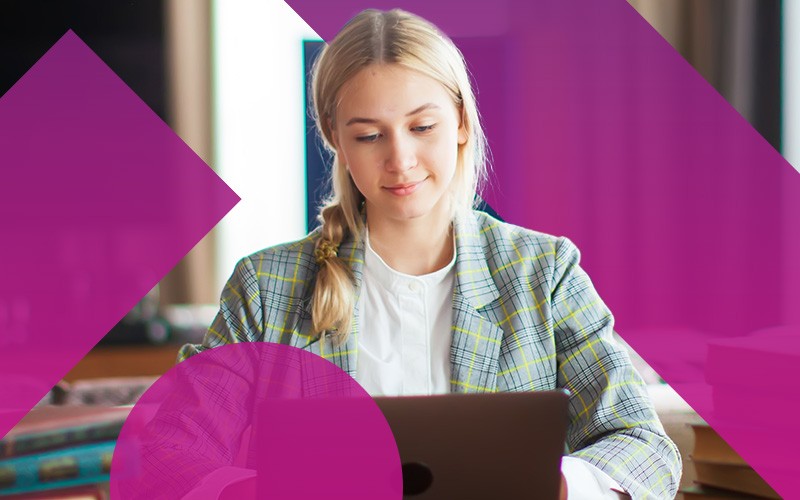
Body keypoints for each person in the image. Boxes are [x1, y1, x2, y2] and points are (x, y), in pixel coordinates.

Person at [179, 8, 681, 499]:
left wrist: (558, 484)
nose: (400, 160)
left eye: (422, 127)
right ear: (336, 139)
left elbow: (644, 446)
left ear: (461, 121)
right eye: (369, 135)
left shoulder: (544, 273)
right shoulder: (266, 287)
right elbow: (171, 445)